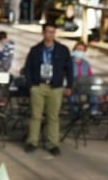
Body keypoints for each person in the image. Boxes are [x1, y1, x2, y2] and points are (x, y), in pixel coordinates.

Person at [23, 21, 72, 156]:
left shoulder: (62, 50)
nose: (50, 35)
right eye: (48, 32)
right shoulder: (35, 50)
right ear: (43, 33)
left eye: (52, 32)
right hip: (39, 86)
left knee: (53, 116)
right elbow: (27, 68)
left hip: (55, 87)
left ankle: (52, 143)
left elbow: (69, 69)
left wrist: (69, 85)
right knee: (35, 115)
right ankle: (32, 141)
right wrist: (31, 85)